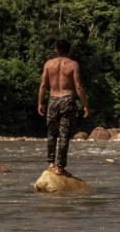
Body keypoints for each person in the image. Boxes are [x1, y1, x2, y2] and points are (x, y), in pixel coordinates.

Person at [38, 39, 90, 175]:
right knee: (64, 135)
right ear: (69, 50)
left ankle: (51, 162)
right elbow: (78, 86)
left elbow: (43, 85)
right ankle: (60, 167)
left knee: (51, 133)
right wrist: (85, 106)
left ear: (56, 49)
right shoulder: (73, 64)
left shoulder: (49, 64)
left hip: (53, 100)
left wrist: (40, 103)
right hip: (67, 100)